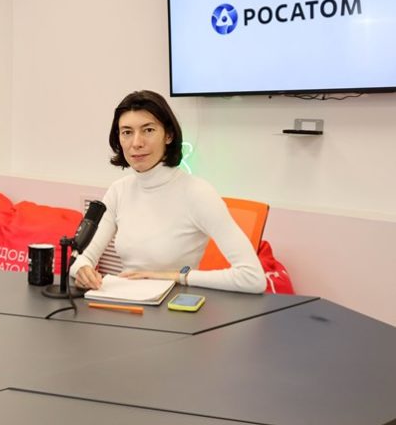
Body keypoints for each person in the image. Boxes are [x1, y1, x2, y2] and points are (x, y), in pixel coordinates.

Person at [71, 90, 266, 294]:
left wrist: (178, 276)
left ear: (169, 135)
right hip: (126, 302)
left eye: (148, 130)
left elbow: (252, 278)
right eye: (127, 132)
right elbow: (80, 257)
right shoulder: (118, 191)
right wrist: (82, 269)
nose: (136, 143)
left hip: (176, 305)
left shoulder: (198, 193)